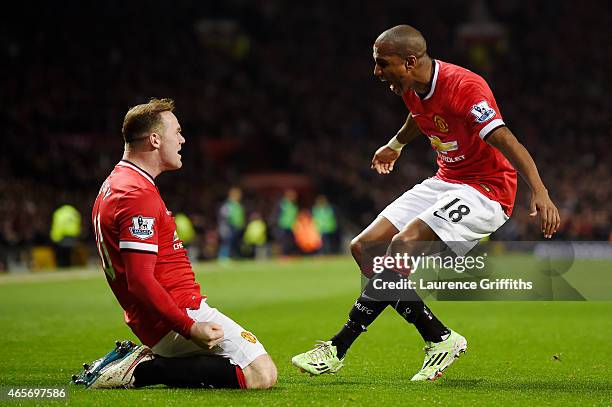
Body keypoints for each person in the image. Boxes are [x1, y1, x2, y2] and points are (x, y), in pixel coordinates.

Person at [292, 25, 560, 381]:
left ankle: (338, 347)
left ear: (410, 61)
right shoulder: (410, 85)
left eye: (382, 64)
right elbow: (420, 116)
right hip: (446, 181)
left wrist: (539, 190)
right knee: (365, 247)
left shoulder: (466, 88)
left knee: (402, 245)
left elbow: (507, 140)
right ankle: (440, 338)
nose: (376, 72)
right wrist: (396, 144)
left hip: (486, 189)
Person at [81, 98, 276, 389]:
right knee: (261, 374)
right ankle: (141, 370)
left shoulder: (117, 183)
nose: (183, 140)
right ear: (155, 139)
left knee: (244, 366)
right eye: (178, 132)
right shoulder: (136, 193)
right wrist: (189, 327)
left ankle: (147, 365)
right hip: (174, 313)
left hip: (160, 313)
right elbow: (140, 280)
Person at [218, 187, 245, 260]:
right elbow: (223, 216)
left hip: (237, 227)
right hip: (229, 226)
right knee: (227, 241)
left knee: (234, 242)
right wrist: (225, 225)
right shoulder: (228, 205)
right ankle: (223, 257)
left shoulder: (238, 205)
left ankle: (234, 256)